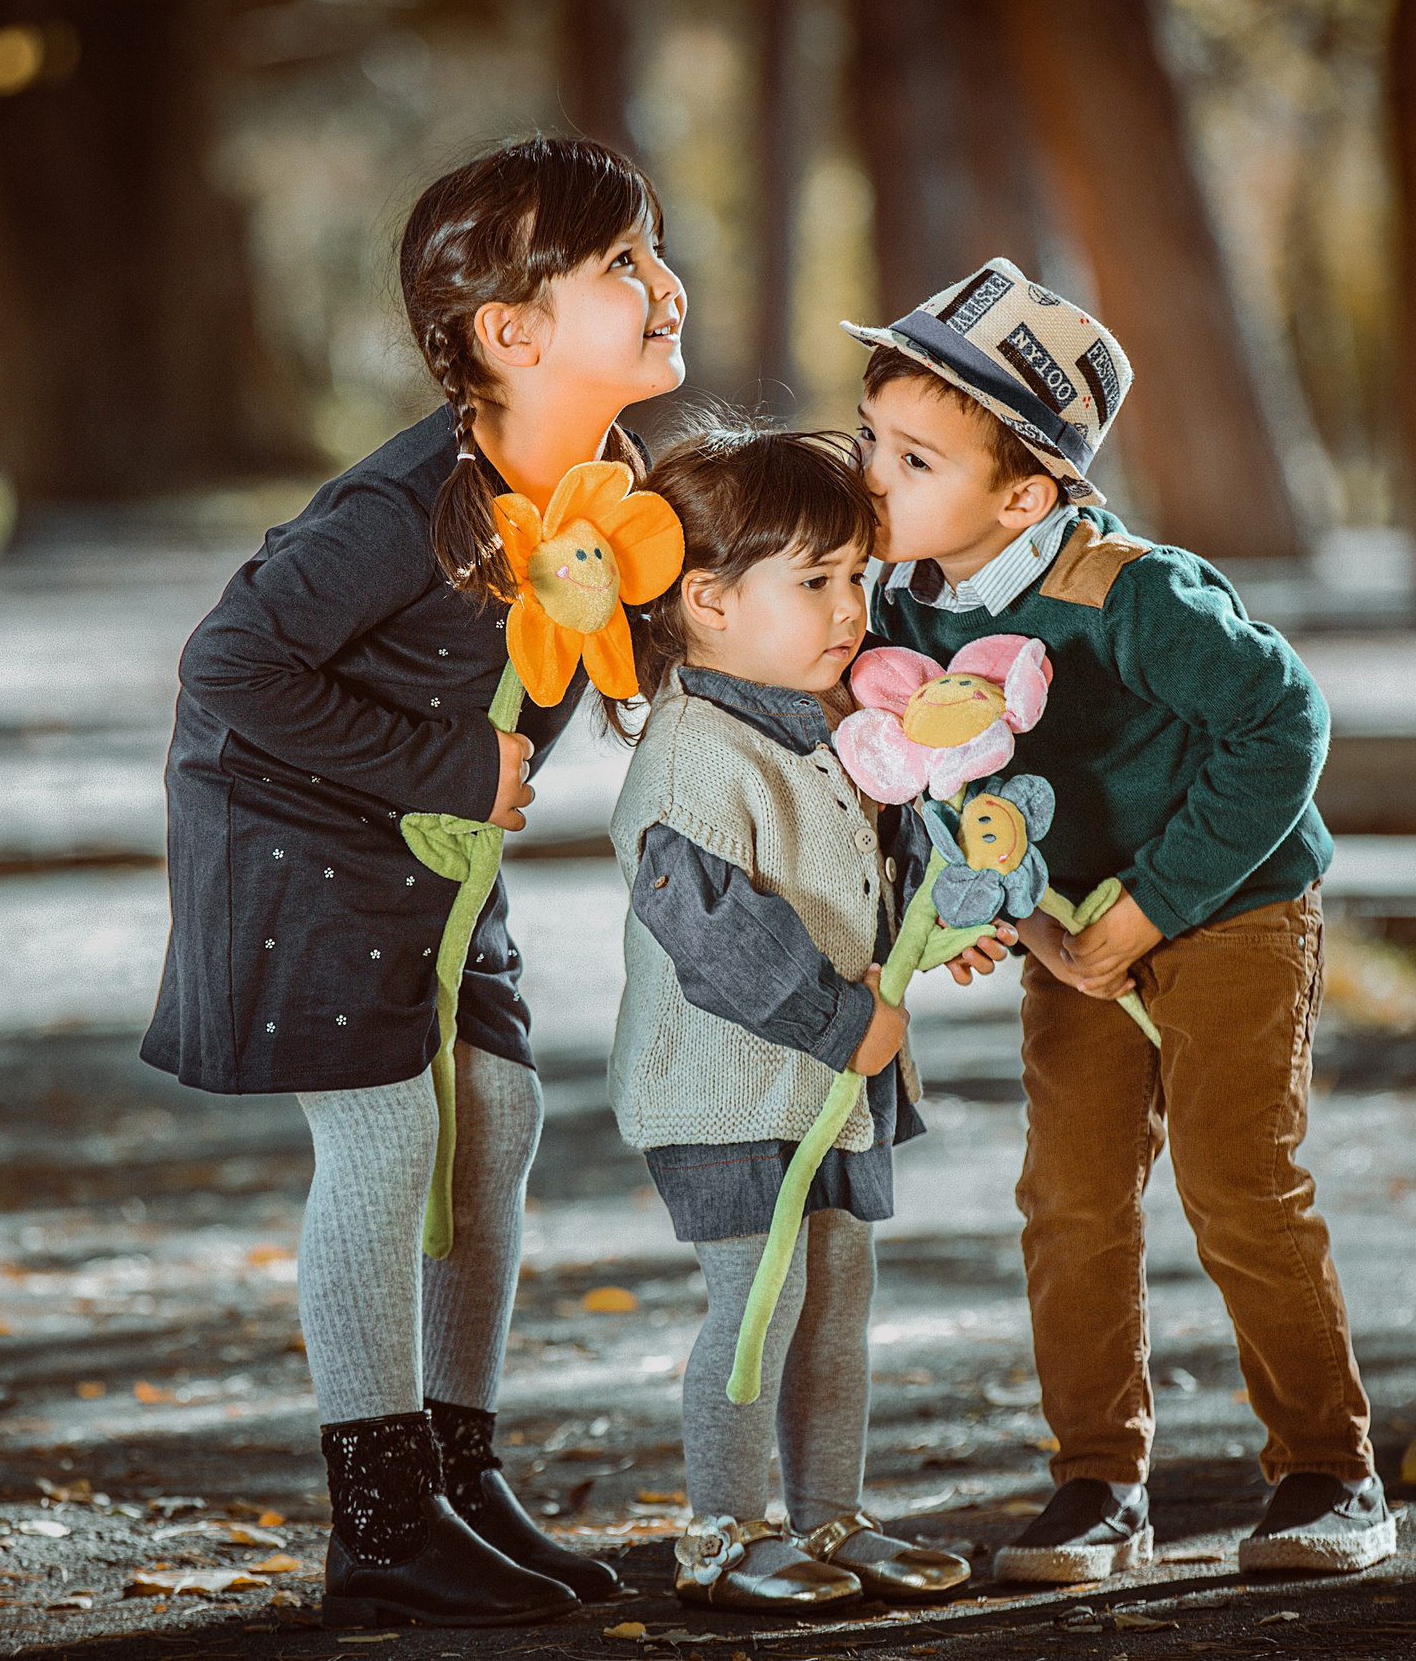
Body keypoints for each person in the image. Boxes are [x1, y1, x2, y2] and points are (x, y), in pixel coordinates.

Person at [141, 136, 685, 1628]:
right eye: (621, 265)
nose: (663, 283)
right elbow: (230, 661)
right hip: (294, 831)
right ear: (511, 334)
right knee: (386, 1137)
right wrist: (447, 773)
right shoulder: (401, 511)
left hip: (426, 845)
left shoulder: (598, 483)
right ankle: (377, 1521)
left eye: (654, 252)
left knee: (493, 1109)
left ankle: (456, 1464)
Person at [845, 259, 1393, 1578]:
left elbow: (1283, 723)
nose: (872, 474)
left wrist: (1147, 909)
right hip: (1074, 924)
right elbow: (930, 766)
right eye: (870, 436)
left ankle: (1332, 1470)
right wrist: (967, 896)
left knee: (1236, 1180)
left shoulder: (1130, 592)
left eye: (914, 458)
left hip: (1230, 903)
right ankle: (1099, 1484)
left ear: (1024, 493)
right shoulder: (902, 601)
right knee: (1070, 1198)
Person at [605, 424, 993, 1613]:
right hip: (734, 1088)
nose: (849, 607)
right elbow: (714, 929)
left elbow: (867, 854)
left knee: (834, 1305)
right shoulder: (691, 757)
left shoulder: (816, 719)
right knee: (757, 1301)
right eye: (815, 582)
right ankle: (722, 1533)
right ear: (707, 601)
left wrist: (944, 909)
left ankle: (828, 1522)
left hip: (832, 1088)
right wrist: (840, 1021)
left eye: (855, 579)